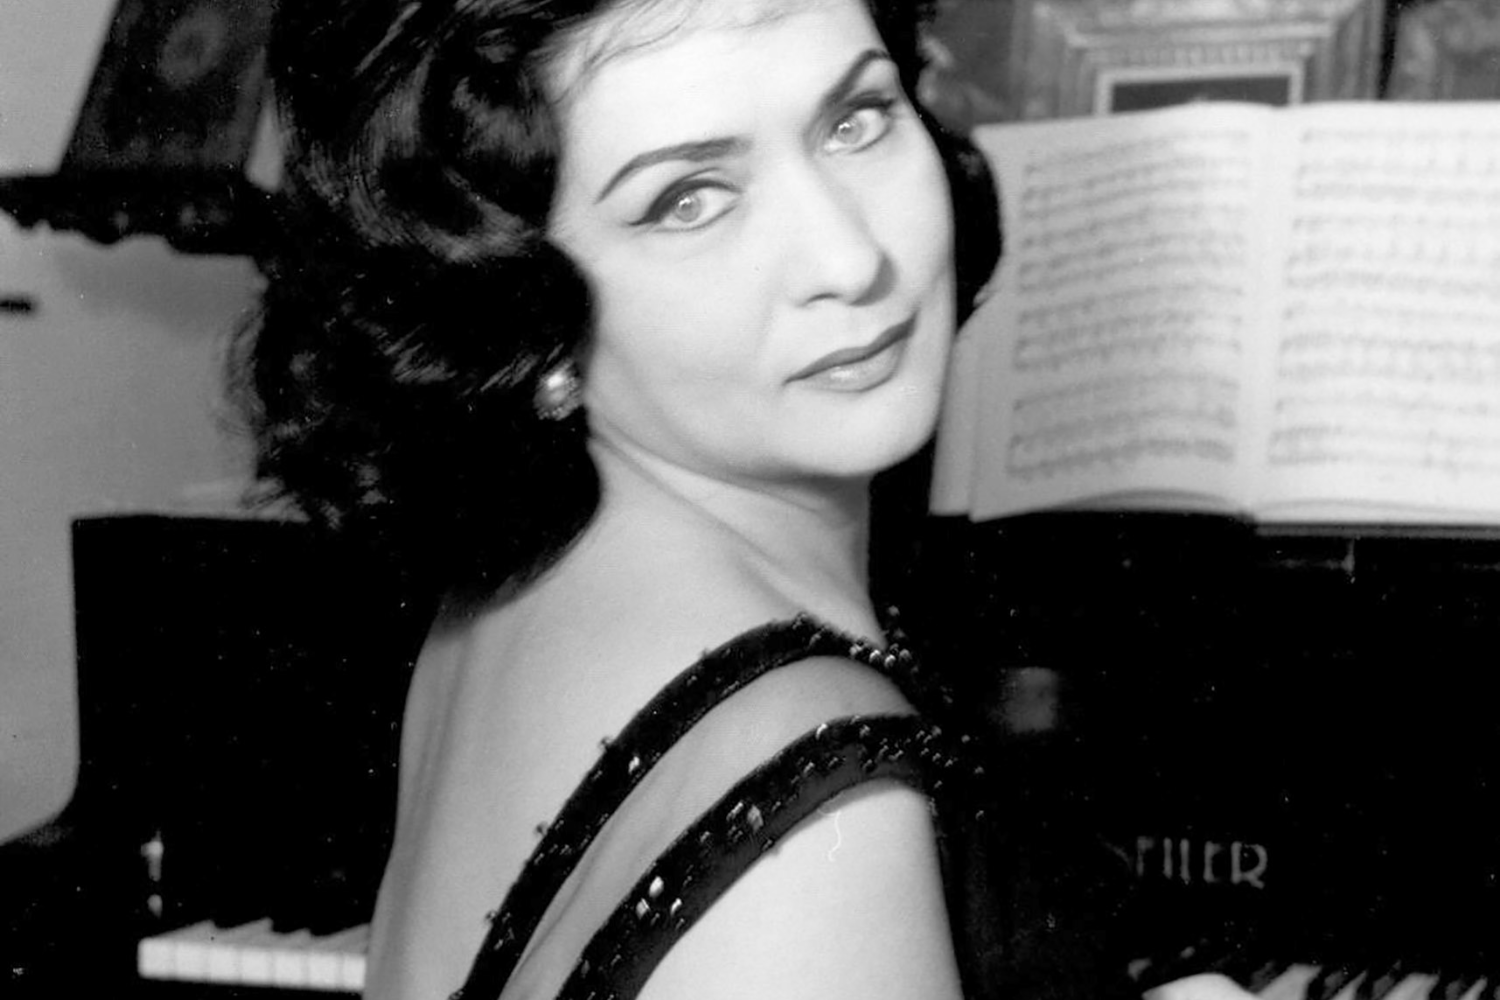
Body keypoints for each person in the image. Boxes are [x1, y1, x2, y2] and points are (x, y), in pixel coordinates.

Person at [233, 1, 1262, 998]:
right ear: (522, 304)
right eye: (690, 199)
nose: (851, 259)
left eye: (855, 120)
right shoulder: (817, 812)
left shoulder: (511, 602)